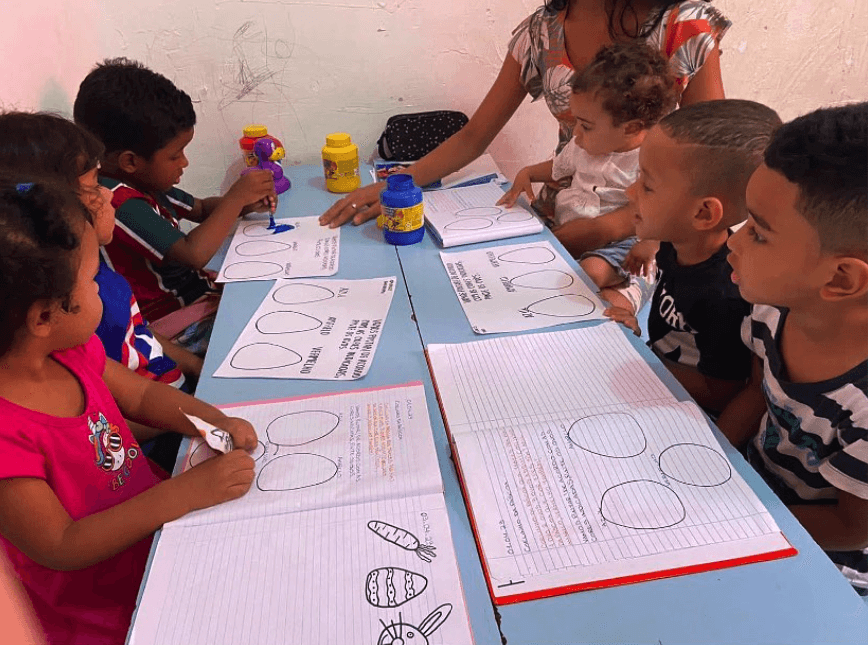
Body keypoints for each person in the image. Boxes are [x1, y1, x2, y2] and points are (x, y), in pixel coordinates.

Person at [0, 177, 258, 644]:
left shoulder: (69, 352)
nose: (106, 290)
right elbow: (60, 544)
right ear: (43, 317)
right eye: (92, 280)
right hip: (103, 608)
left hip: (159, 542)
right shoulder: (6, 432)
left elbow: (142, 397)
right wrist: (184, 494)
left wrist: (209, 419)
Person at [320, 0, 729, 229]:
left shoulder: (685, 26)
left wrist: (617, 228)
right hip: (562, 215)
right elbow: (474, 136)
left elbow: (709, 163)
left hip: (645, 232)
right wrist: (399, 183)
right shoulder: (541, 31)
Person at [719, 103, 868, 596]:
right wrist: (711, 465)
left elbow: (852, 528)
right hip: (754, 492)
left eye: (758, 232)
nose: (733, 242)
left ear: (841, 278)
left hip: (829, 562)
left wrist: (732, 521)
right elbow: (758, 392)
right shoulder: (775, 306)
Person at [73, 58, 276, 356]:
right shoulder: (119, 203)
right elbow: (192, 254)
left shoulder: (148, 181)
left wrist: (245, 203)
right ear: (131, 161)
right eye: (175, 155)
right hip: (172, 325)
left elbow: (203, 209)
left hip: (197, 300)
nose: (184, 162)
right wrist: (234, 199)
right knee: (264, 332)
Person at [0, 111, 202, 391]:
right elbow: (120, 406)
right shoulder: (79, 305)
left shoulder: (98, 271)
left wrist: (197, 368)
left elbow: (142, 335)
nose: (108, 194)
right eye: (95, 184)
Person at [606, 99, 782, 415]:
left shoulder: (725, 296)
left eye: (647, 185)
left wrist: (642, 359)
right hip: (656, 373)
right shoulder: (675, 243)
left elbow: (719, 395)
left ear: (703, 213)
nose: (630, 192)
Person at [497, 42, 677, 313]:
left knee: (590, 275)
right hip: (570, 233)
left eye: (587, 126)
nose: (577, 133)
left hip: (625, 245)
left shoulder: (651, 159)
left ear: (631, 128)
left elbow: (665, 212)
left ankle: (633, 289)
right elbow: (558, 167)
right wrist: (527, 173)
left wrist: (652, 244)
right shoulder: (583, 144)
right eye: (577, 122)